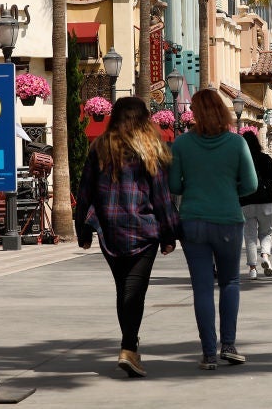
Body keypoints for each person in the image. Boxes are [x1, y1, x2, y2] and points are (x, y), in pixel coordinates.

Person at [74, 97, 180, 378]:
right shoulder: (151, 150)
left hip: (109, 230)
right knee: (134, 291)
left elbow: (85, 192)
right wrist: (170, 233)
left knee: (124, 289)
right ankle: (128, 347)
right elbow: (162, 197)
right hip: (144, 230)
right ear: (144, 120)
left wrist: (82, 229)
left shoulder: (100, 148)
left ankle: (130, 347)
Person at [169, 88, 258, 370]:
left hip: (193, 220)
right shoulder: (237, 143)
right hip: (229, 220)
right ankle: (228, 345)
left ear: (194, 113)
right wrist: (229, 190)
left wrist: (193, 185)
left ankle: (209, 353)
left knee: (202, 287)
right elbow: (251, 185)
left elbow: (174, 186)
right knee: (230, 282)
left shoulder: (182, 144)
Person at [239, 131, 272, 280]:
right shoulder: (266, 159)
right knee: (266, 232)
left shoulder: (241, 161)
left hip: (246, 201)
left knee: (249, 236)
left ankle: (252, 269)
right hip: (266, 200)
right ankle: (265, 256)